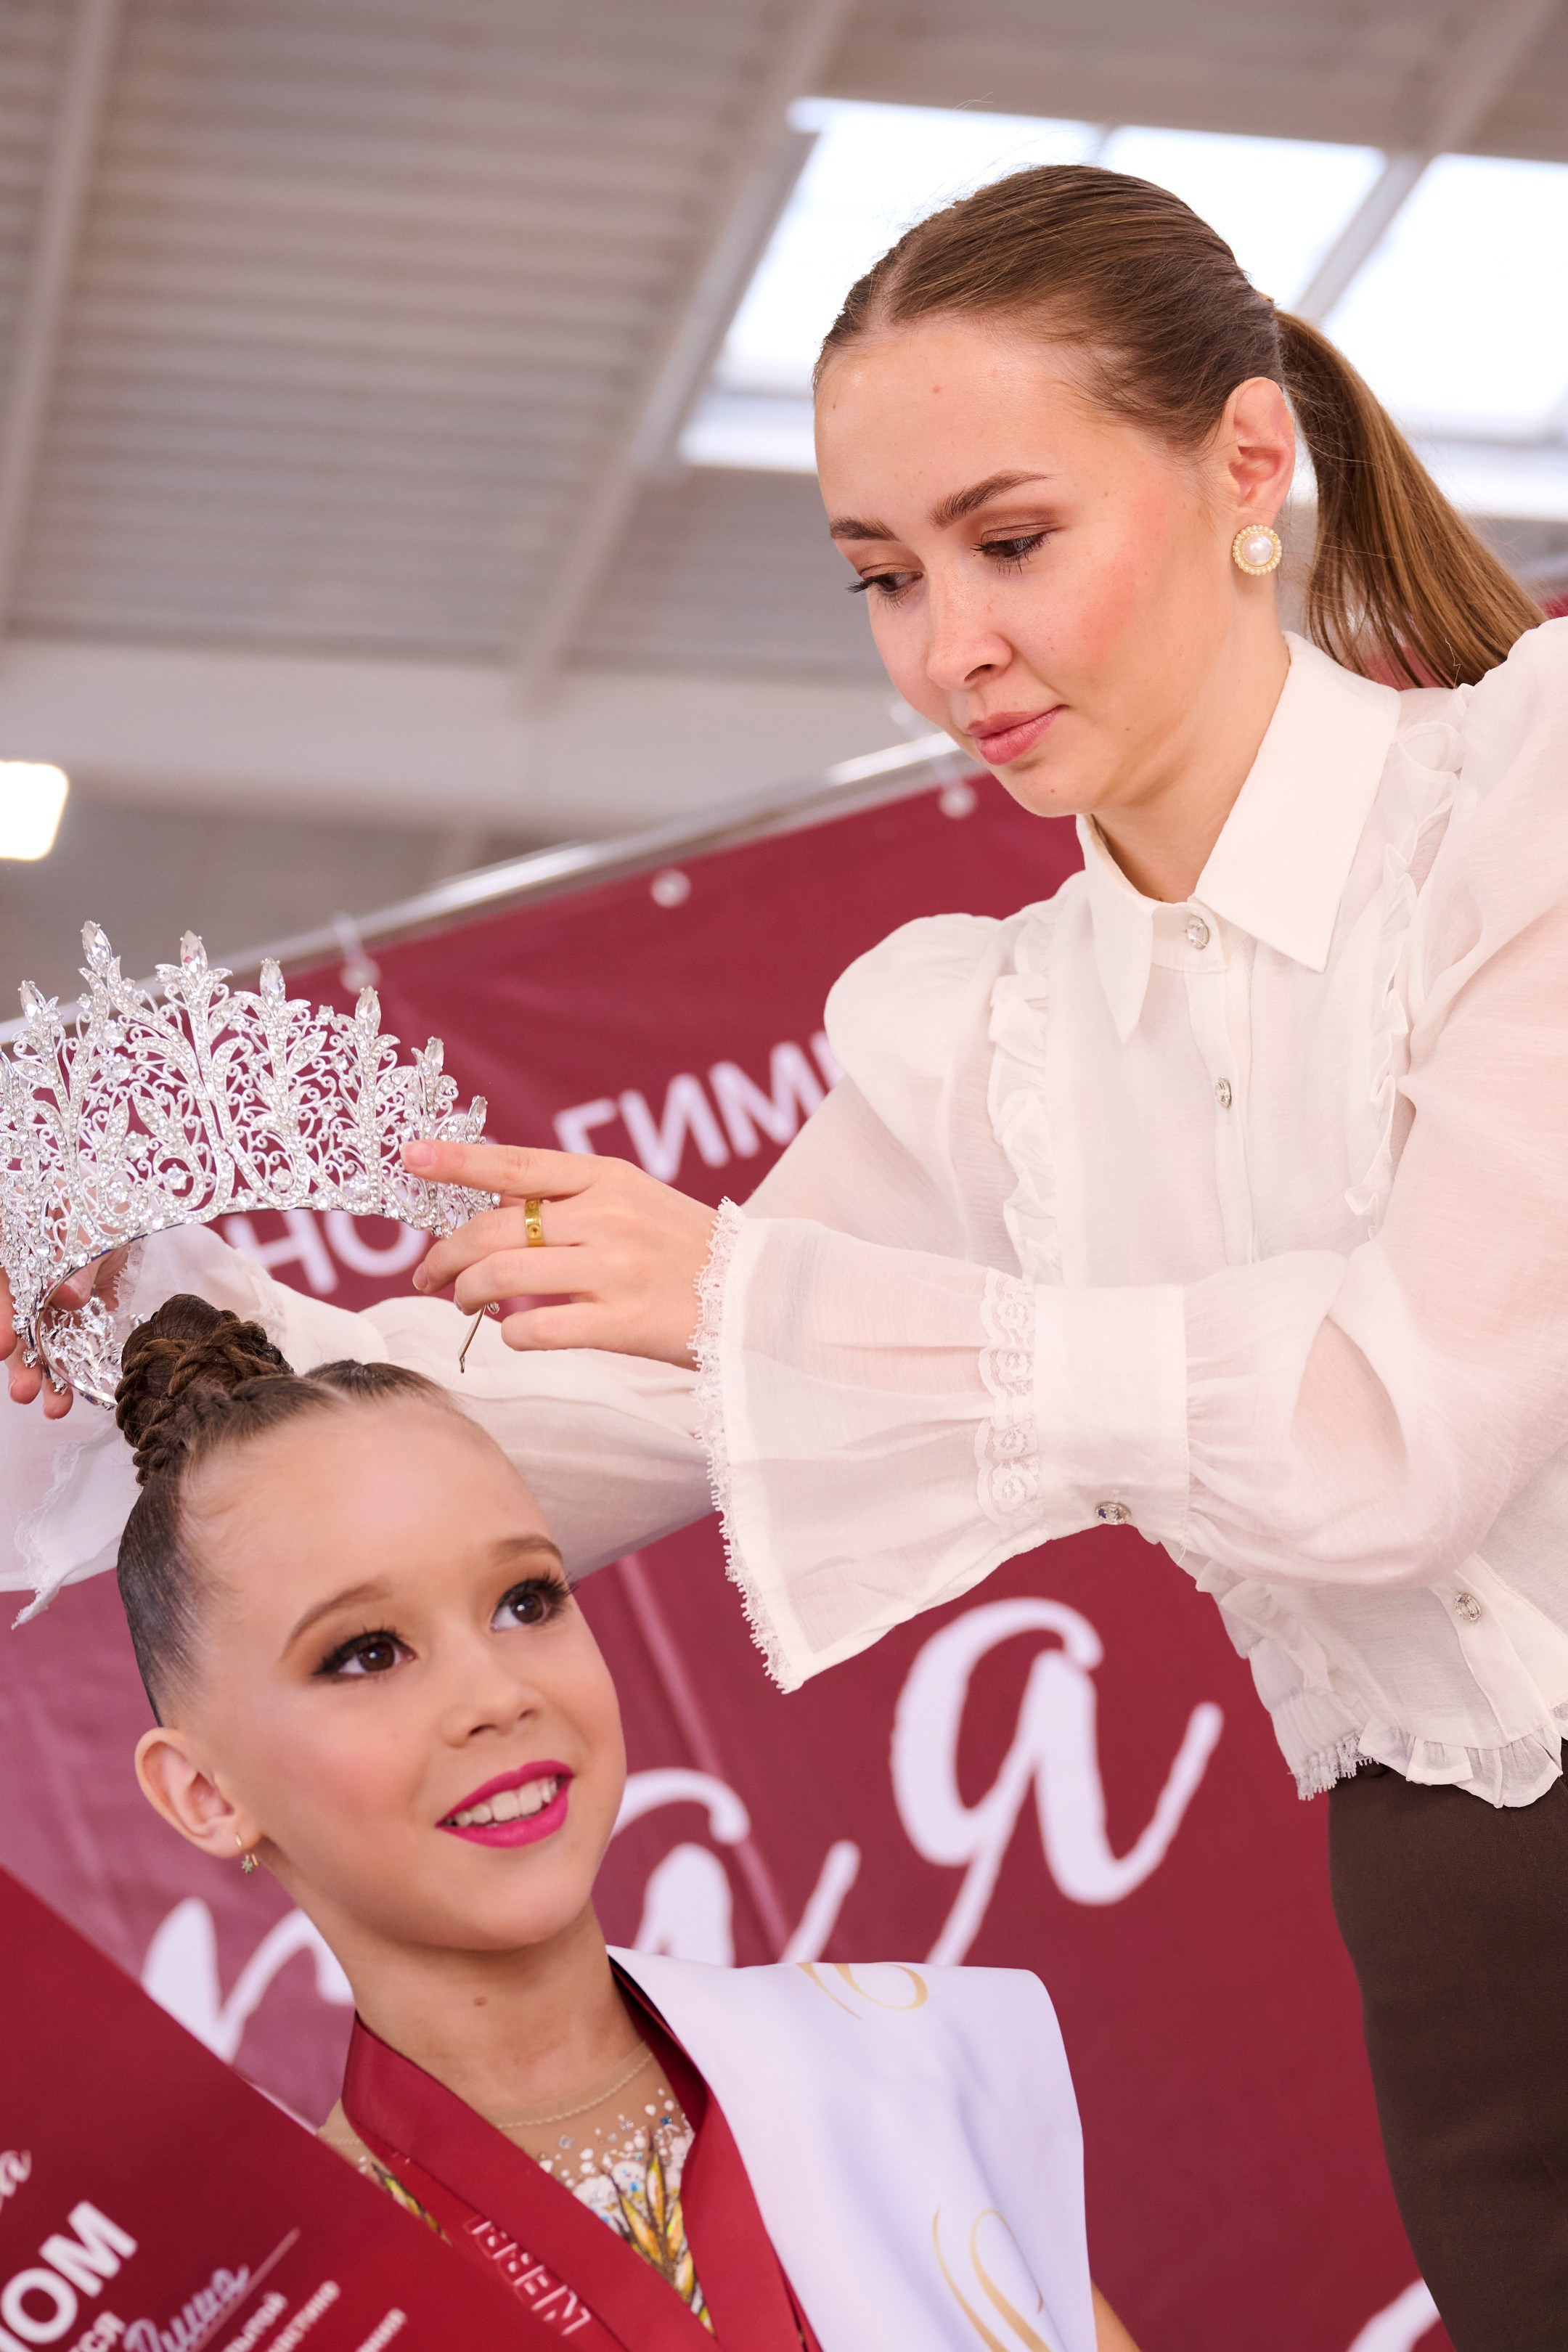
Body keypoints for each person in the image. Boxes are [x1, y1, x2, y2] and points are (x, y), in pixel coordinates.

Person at [6, 163, 1565, 2346]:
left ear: (1245, 464)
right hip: (1464, 1966)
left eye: (1011, 542)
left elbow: (1400, 1432)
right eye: (883, 577)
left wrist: (759, 1296)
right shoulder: (990, 1046)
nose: (951, 652)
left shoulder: (1525, 794)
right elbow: (545, 1443)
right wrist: (137, 1330)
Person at [116, 1293, 1138, 2352]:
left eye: (526, 1600)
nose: (498, 1695)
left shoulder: (895, 2067)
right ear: (207, 1794)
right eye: (368, 1652)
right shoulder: (284, 2308)